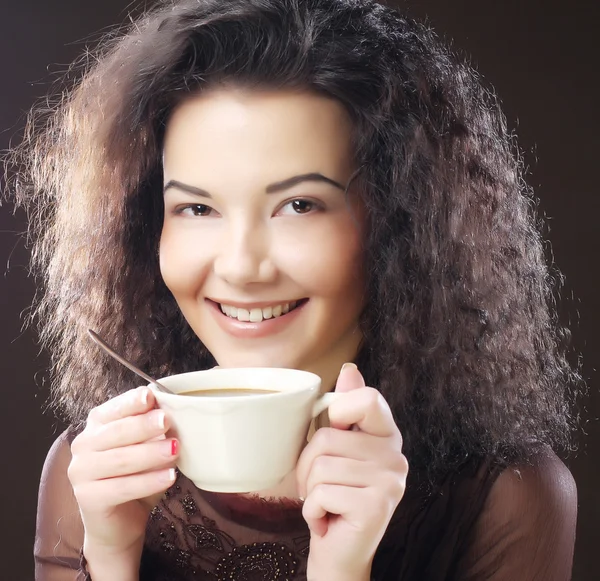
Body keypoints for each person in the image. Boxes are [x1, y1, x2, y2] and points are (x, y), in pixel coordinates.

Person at [4, 0, 580, 579]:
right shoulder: (96, 474)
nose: (242, 266)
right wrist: (108, 556)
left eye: (299, 205)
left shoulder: (507, 497)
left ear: (400, 222)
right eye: (197, 207)